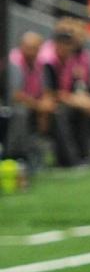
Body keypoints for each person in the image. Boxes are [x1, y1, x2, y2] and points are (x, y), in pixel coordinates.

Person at [39, 19, 90, 166]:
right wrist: (80, 101)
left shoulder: (78, 56)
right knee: (62, 113)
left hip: (69, 97)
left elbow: (83, 82)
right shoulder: (47, 59)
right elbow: (50, 93)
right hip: (47, 101)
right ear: (57, 43)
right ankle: (69, 160)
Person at [6, 32, 55, 172]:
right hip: (13, 105)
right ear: (21, 46)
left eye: (35, 48)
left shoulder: (41, 63)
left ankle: (41, 157)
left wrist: (46, 103)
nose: (31, 51)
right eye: (28, 47)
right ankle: (16, 156)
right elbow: (15, 95)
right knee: (22, 113)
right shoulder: (14, 62)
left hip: (33, 104)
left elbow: (47, 89)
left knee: (54, 111)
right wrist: (39, 105)